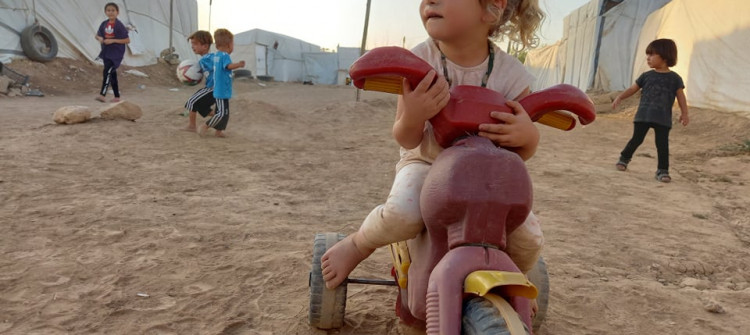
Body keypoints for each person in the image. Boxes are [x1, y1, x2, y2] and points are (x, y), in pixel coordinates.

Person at [322, 0, 546, 291]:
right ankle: (358, 244)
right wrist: (414, 115)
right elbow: (406, 138)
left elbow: (521, 155)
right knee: (403, 213)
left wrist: (527, 137)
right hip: (426, 163)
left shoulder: (511, 75)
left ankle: (516, 278)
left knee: (529, 236)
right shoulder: (418, 62)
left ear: (491, 7)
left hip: (487, 175)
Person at [612, 38, 689, 183]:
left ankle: (662, 170)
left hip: (663, 118)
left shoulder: (675, 79)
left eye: (652, 55)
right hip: (643, 115)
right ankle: (624, 159)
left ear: (665, 57)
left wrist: (685, 113)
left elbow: (681, 97)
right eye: (647, 55)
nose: (648, 58)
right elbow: (632, 89)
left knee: (662, 144)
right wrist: (620, 97)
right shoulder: (646, 76)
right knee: (637, 139)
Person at [199, 28, 245, 138]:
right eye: (233, 43)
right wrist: (238, 64)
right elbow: (228, 66)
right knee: (221, 113)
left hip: (220, 90)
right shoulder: (225, 56)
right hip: (221, 91)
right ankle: (205, 126)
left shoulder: (217, 56)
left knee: (224, 113)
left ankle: (219, 131)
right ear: (229, 44)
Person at [94, 2, 130, 103]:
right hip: (106, 52)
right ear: (105, 12)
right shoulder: (104, 24)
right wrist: (100, 38)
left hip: (115, 53)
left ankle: (102, 94)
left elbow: (127, 40)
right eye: (108, 10)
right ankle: (117, 96)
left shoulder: (119, 25)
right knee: (112, 74)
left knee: (107, 72)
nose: (111, 12)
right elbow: (97, 35)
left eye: (113, 10)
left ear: (117, 12)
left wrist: (113, 40)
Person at [183, 30, 215, 132]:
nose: (192, 46)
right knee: (201, 107)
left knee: (192, 102)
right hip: (214, 88)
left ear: (205, 46)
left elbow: (216, 67)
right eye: (192, 44)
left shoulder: (207, 59)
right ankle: (220, 115)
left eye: (195, 44)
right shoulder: (209, 58)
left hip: (213, 88)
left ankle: (192, 126)